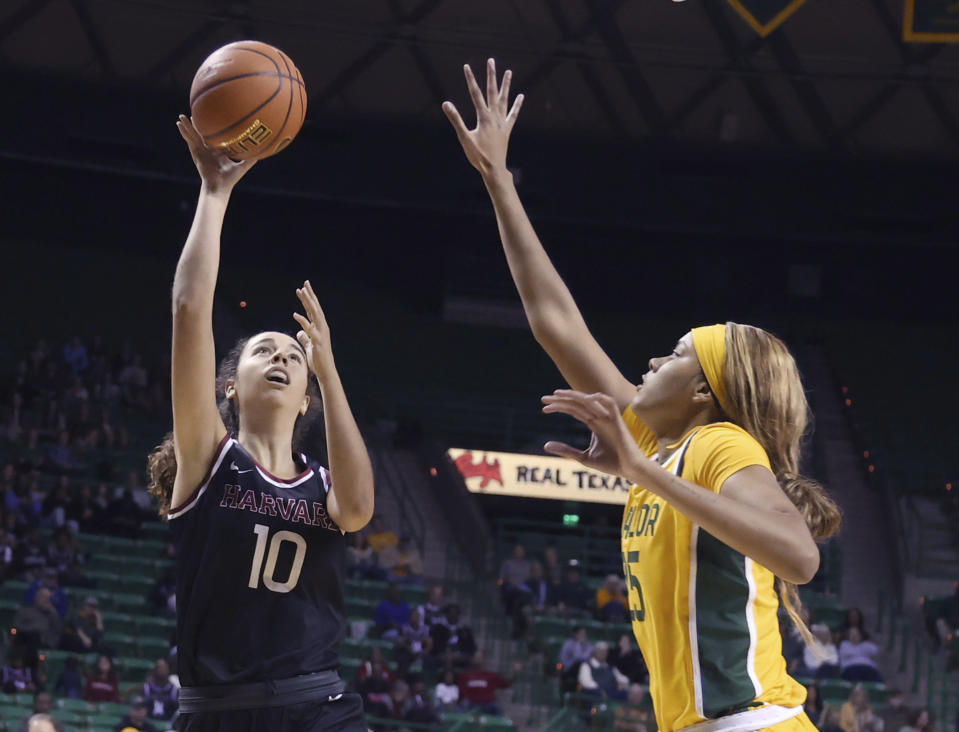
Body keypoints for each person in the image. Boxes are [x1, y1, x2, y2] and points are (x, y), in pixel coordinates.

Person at [443, 59, 842, 732]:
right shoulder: (664, 440)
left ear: (703, 393)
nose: (655, 358)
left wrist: (641, 473)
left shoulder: (717, 443)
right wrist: (497, 182)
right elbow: (554, 322)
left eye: (678, 354)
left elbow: (799, 557)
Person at [144, 116, 375, 731]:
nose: (281, 357)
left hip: (318, 705)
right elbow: (190, 310)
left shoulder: (321, 485)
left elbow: (358, 507)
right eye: (263, 350)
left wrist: (330, 370)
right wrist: (214, 196)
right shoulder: (208, 458)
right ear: (229, 386)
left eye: (294, 357)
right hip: (220, 711)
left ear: (306, 397)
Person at [456, 650, 518, 717]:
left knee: (498, 709)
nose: (478, 659)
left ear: (484, 660)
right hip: (470, 703)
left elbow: (507, 683)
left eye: (480, 657)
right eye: (476, 657)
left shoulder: (491, 675)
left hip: (488, 704)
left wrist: (516, 672)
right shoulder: (464, 675)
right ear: (473, 659)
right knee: (462, 707)